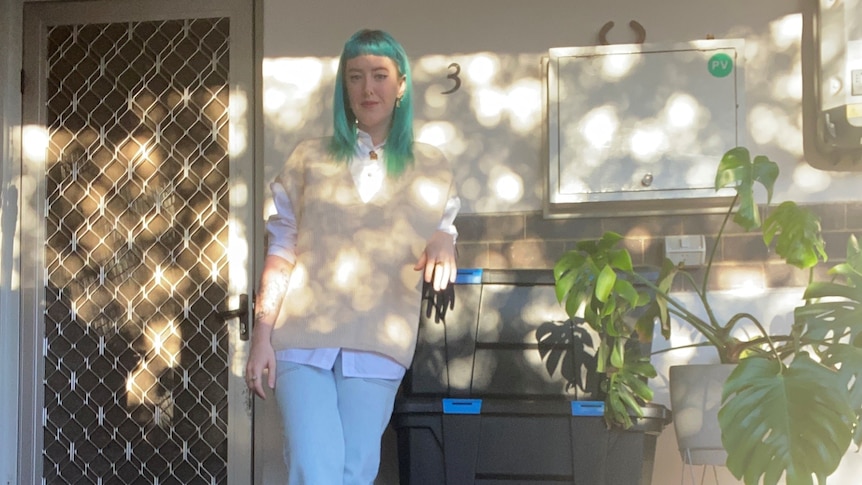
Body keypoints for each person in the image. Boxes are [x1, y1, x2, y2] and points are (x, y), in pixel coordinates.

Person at [245, 29, 460, 484]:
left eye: (380, 75)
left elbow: (442, 226)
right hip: (302, 341)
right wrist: (262, 335)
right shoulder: (308, 159)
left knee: (354, 471)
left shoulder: (433, 166)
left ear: (400, 86)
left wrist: (445, 237)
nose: (368, 88)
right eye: (356, 76)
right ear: (344, 86)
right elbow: (281, 250)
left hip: (380, 342)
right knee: (313, 466)